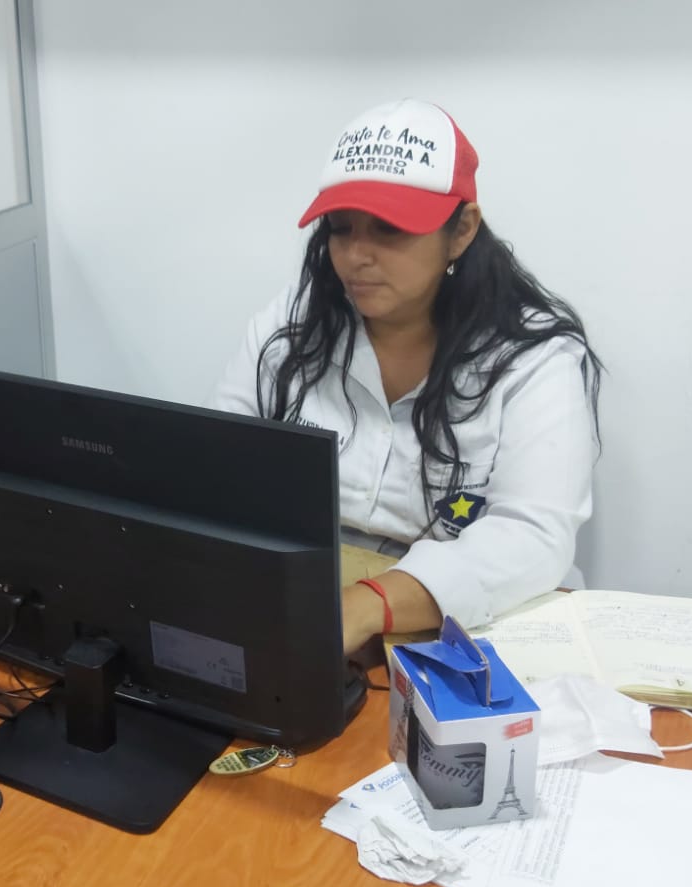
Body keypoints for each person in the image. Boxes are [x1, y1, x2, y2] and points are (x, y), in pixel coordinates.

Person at [211, 99, 602, 655]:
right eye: (340, 228)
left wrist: (369, 604)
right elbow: (219, 459)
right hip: (306, 600)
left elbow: (533, 534)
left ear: (461, 230)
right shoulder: (292, 324)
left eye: (390, 230)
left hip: (463, 622)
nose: (355, 256)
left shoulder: (532, 357)